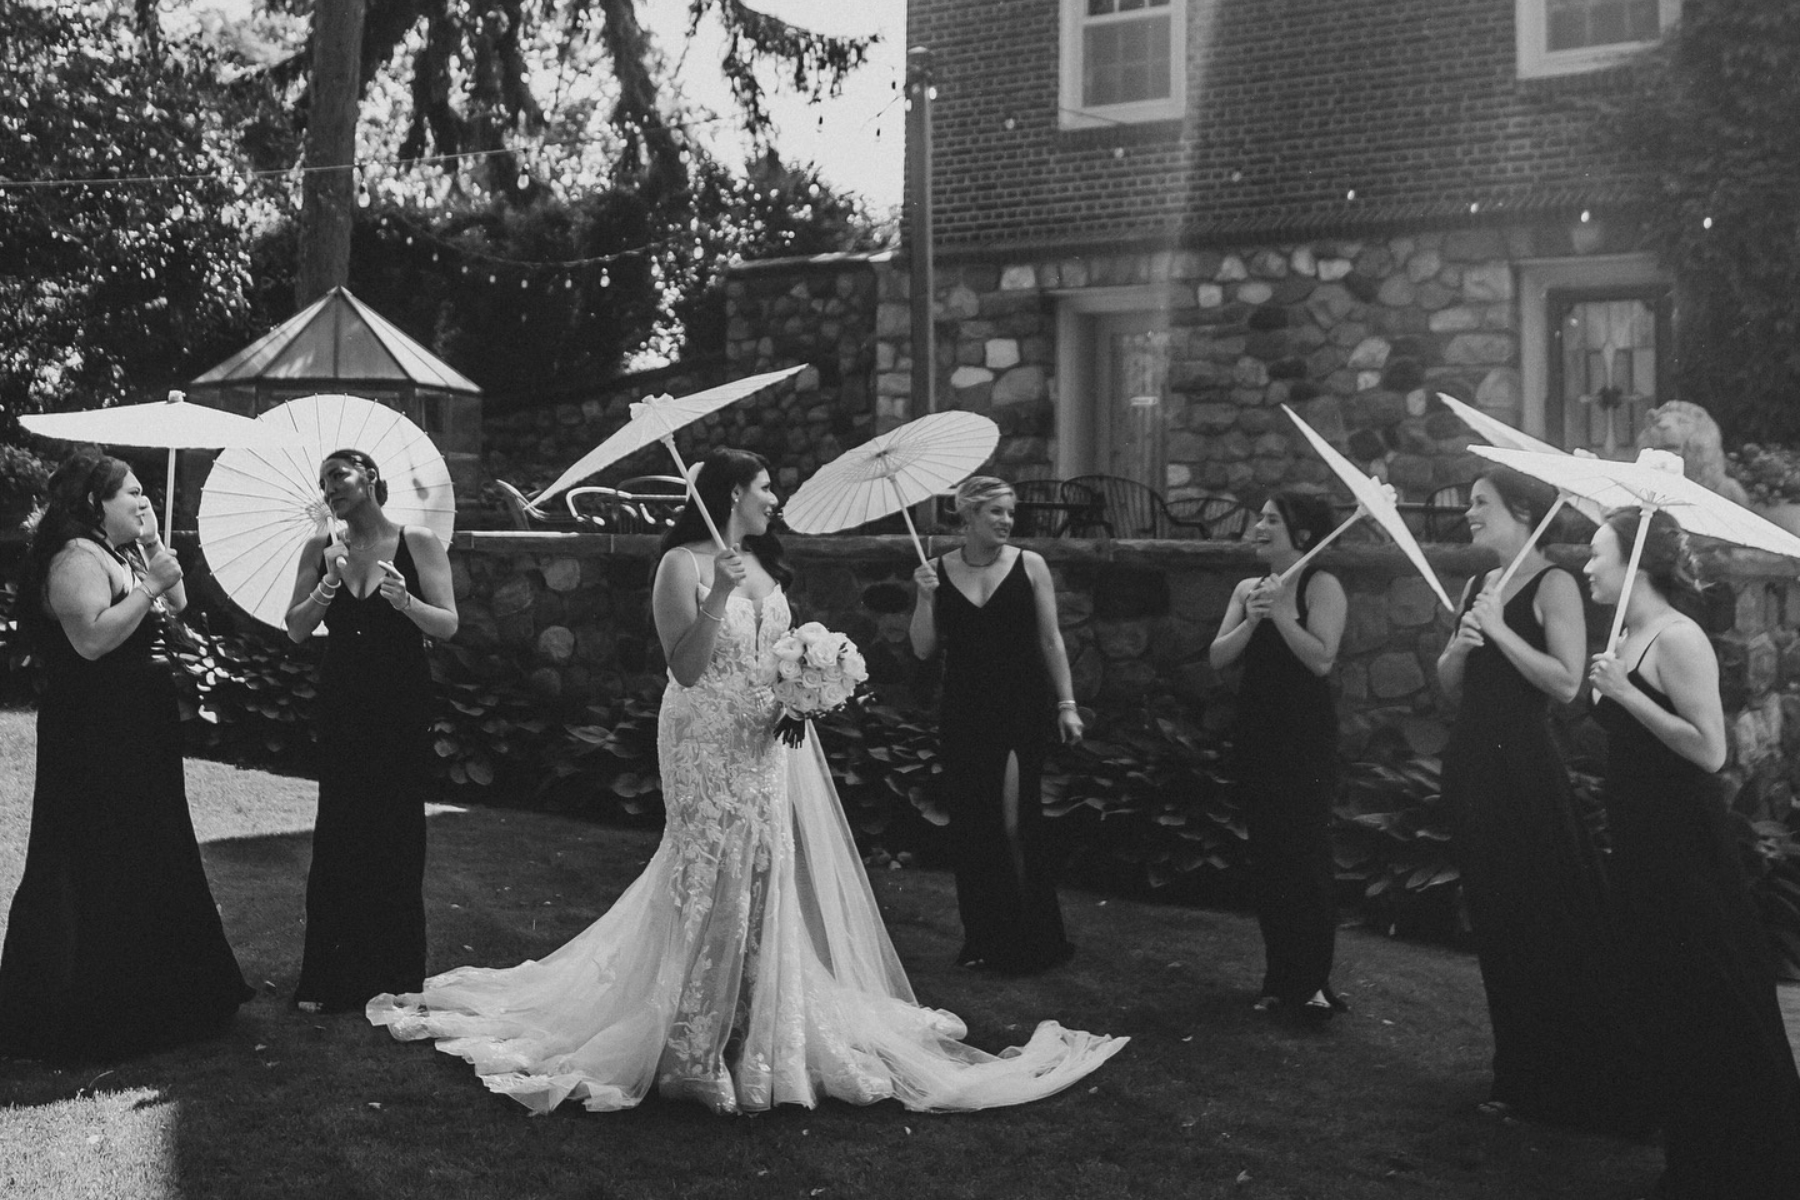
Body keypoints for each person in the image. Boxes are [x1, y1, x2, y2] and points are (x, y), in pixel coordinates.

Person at [369, 448, 1126, 1114]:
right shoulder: (683, 565)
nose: (775, 499)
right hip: (701, 739)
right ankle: (694, 1039)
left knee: (767, 868)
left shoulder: (771, 563)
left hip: (766, 741)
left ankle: (754, 1017)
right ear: (733, 494)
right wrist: (723, 595)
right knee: (708, 867)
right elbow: (687, 669)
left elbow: (776, 652)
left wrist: (809, 680)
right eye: (766, 488)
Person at [0, 450, 252, 1059]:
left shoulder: (119, 552)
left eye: (145, 492)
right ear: (94, 502)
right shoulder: (75, 558)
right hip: (96, 734)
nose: (143, 501)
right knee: (99, 854)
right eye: (132, 493)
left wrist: (159, 556)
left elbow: (180, 606)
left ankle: (168, 994)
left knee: (151, 849)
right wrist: (149, 585)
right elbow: (90, 641)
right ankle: (88, 1005)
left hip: (137, 731)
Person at [1585, 507, 1800, 1198]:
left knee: (1703, 992)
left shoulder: (1678, 639)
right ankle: (1693, 1154)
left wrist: (1624, 694)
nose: (1587, 566)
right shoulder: (1627, 630)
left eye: (1597, 553)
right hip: (1643, 835)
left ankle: (1739, 1158)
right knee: (1664, 996)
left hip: (1682, 840)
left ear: (1635, 563)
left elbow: (1710, 751)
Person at [1436, 470, 1649, 1133]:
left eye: (1480, 502)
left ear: (1523, 511)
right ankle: (1515, 1072)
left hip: (1523, 770)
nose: (1467, 512)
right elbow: (1450, 688)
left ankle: (1555, 1078)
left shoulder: (1554, 583)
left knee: (1537, 922)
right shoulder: (1480, 584)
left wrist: (1500, 632)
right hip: (1473, 764)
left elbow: (1564, 684)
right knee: (1495, 923)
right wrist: (1462, 642)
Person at [285, 449, 458, 1014]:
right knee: (337, 831)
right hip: (342, 702)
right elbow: (295, 629)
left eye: (339, 475)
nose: (330, 486)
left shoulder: (419, 543)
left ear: (372, 480)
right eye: (324, 479)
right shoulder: (322, 549)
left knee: (395, 831)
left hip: (399, 703)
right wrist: (328, 584)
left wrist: (405, 601)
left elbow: (449, 624)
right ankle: (327, 978)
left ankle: (397, 973)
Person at [908, 476, 1083, 974]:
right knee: (973, 826)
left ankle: (1035, 937)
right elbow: (923, 648)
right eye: (997, 513)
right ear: (968, 516)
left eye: (1010, 512)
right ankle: (983, 938)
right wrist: (923, 598)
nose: (1008, 520)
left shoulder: (1031, 565)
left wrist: (1066, 703)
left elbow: (1051, 641)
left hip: (1021, 707)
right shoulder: (936, 570)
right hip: (965, 709)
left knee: (1014, 821)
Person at [1208, 492, 1348, 1022]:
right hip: (1258, 732)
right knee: (1268, 858)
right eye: (1260, 517)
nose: (1259, 526)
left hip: (1305, 737)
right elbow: (1219, 656)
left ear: (1303, 534)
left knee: (1305, 855)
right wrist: (1252, 619)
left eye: (1272, 520)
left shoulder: (1323, 585)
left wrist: (1286, 617)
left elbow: (1322, 660)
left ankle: (1312, 981)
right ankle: (1277, 976)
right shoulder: (1247, 588)